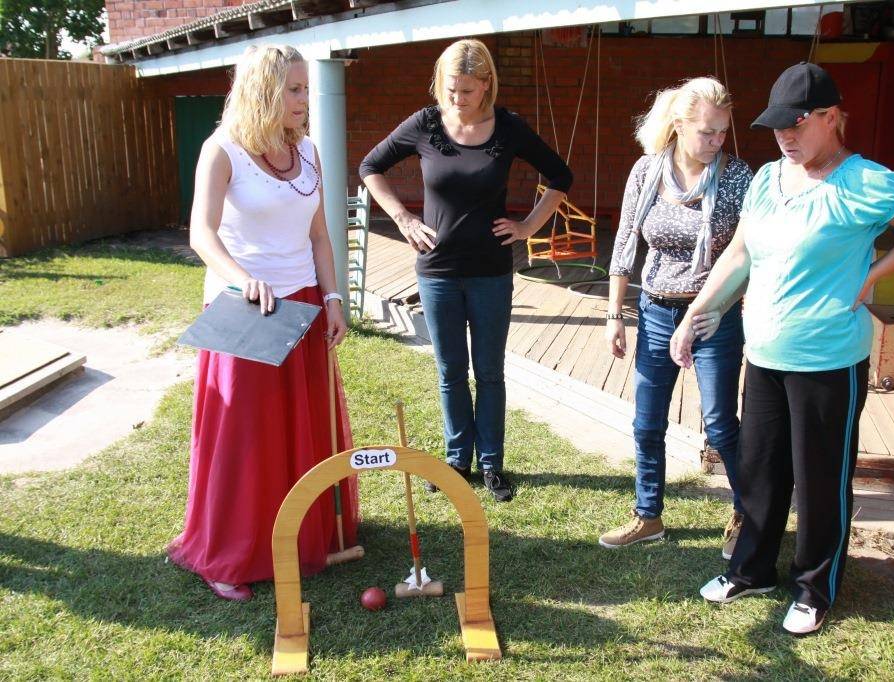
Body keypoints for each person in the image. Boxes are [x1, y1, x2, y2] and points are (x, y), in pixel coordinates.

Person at [672, 63, 894, 634]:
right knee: (760, 472)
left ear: (830, 117)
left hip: (828, 360)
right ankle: (751, 570)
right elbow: (740, 255)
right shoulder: (767, 179)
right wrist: (697, 314)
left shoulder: (865, 182)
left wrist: (873, 275)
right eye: (777, 126)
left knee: (821, 479)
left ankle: (813, 588)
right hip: (765, 355)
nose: (785, 136)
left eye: (796, 124)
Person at [169, 44, 359, 601]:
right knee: (244, 435)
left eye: (305, 88)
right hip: (244, 308)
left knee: (300, 427)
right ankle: (226, 555)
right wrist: (240, 279)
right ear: (263, 90)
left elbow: (319, 236)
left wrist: (333, 299)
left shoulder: (309, 151)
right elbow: (201, 234)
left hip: (303, 302)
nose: (305, 99)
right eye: (294, 89)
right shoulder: (221, 149)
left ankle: (302, 534)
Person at [359, 38, 572, 502]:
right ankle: (458, 460)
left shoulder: (509, 127)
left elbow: (561, 176)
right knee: (450, 370)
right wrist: (403, 218)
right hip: (436, 271)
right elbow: (370, 166)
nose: (457, 99)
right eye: (450, 89)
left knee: (489, 372)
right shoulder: (425, 123)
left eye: (467, 91)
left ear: (487, 84)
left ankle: (492, 463)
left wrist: (528, 226)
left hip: (491, 271)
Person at [599, 78, 752, 557]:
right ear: (679, 126)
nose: (716, 141)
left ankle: (748, 514)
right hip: (656, 310)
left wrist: (716, 308)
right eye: (707, 131)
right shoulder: (647, 171)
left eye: (722, 132)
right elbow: (625, 241)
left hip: (714, 315)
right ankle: (648, 516)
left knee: (720, 424)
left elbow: (747, 257)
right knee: (647, 423)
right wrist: (614, 314)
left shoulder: (737, 177)